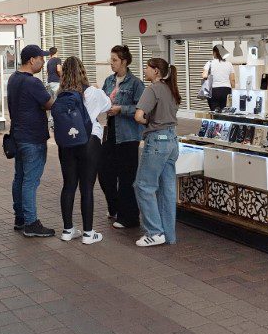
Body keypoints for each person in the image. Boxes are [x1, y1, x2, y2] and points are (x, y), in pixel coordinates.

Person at [53, 56, 111, 245]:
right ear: (82, 71)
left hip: (66, 144)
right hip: (89, 142)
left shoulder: (59, 93)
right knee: (87, 187)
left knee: (68, 185)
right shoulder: (92, 92)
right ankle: (88, 233)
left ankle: (68, 230)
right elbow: (108, 105)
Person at [8, 45, 55, 238]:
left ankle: (20, 217)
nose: (43, 62)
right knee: (30, 181)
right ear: (31, 60)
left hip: (17, 135)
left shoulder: (13, 79)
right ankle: (31, 222)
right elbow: (49, 103)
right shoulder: (33, 83)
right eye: (41, 59)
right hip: (33, 138)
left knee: (19, 177)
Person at [133, 58, 181, 247]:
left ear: (156, 71)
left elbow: (138, 116)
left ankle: (154, 231)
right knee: (167, 189)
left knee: (143, 186)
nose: (145, 70)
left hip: (157, 142)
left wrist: (149, 122)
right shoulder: (172, 89)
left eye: (147, 67)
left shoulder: (152, 89)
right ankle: (169, 235)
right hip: (172, 141)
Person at [100, 45, 145, 229]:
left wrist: (121, 109)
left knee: (127, 177)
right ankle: (115, 207)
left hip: (128, 136)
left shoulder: (135, 83)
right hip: (110, 132)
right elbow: (102, 100)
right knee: (104, 173)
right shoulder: (109, 81)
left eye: (115, 60)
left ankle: (129, 217)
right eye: (111, 60)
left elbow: (142, 108)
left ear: (124, 62)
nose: (111, 64)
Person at [203, 45, 235, 112]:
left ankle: (216, 122)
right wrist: (233, 91)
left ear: (214, 53)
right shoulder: (229, 64)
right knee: (225, 111)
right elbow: (232, 80)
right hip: (226, 90)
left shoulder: (209, 63)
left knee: (214, 112)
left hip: (214, 91)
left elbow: (204, 76)